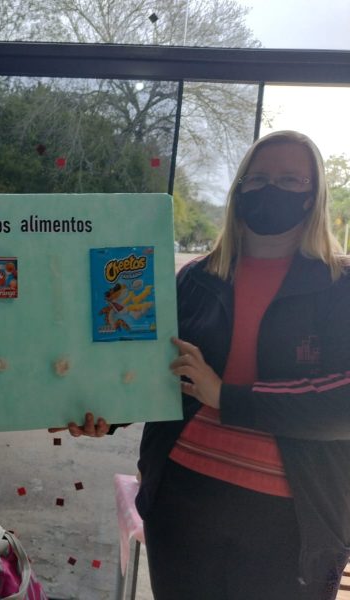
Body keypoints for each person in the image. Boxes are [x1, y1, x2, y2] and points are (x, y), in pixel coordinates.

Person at [53, 130, 350, 599]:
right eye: (258, 179)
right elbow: (157, 370)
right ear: (239, 191)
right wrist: (106, 412)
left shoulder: (340, 286)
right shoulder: (195, 279)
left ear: (314, 195)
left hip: (295, 523)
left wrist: (226, 397)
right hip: (182, 501)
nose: (271, 189)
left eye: (291, 180)